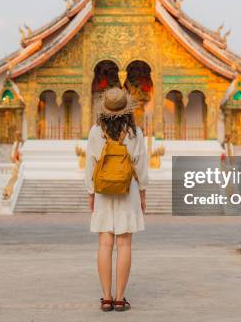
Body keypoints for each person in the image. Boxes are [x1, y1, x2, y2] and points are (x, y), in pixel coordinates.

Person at [85, 87, 148, 312]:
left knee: (104, 243)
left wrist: (90, 193)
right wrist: (142, 193)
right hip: (127, 190)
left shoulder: (95, 131)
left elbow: (90, 165)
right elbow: (140, 166)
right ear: (126, 110)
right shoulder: (135, 133)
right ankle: (120, 298)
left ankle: (106, 297)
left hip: (103, 191)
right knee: (124, 244)